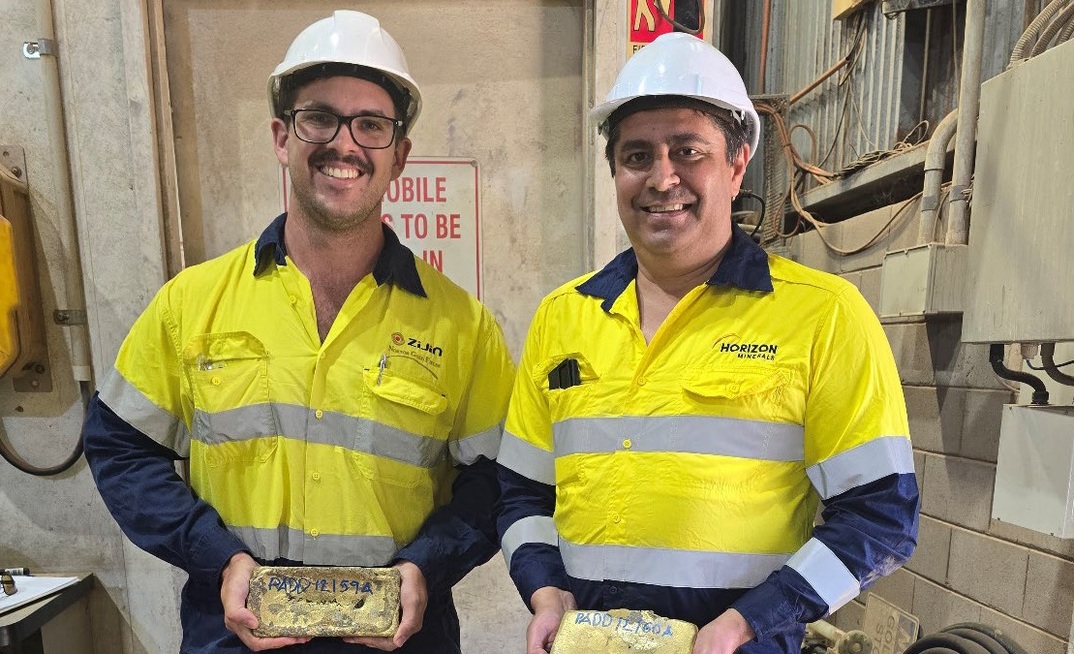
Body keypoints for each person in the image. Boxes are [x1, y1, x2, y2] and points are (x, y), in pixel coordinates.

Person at [83, 10, 514, 653]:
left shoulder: (462, 326)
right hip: (231, 635)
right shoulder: (191, 303)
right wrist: (217, 556)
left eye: (371, 125)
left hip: (398, 639)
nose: (344, 144)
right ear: (283, 137)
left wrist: (427, 564)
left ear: (399, 156)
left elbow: (496, 480)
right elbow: (120, 447)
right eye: (320, 118)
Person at [496, 32, 919, 654]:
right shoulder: (564, 317)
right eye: (637, 156)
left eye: (688, 151)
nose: (662, 178)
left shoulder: (823, 317)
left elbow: (881, 514)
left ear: (737, 162)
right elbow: (522, 492)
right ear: (614, 170)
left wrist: (748, 623)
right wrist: (545, 590)